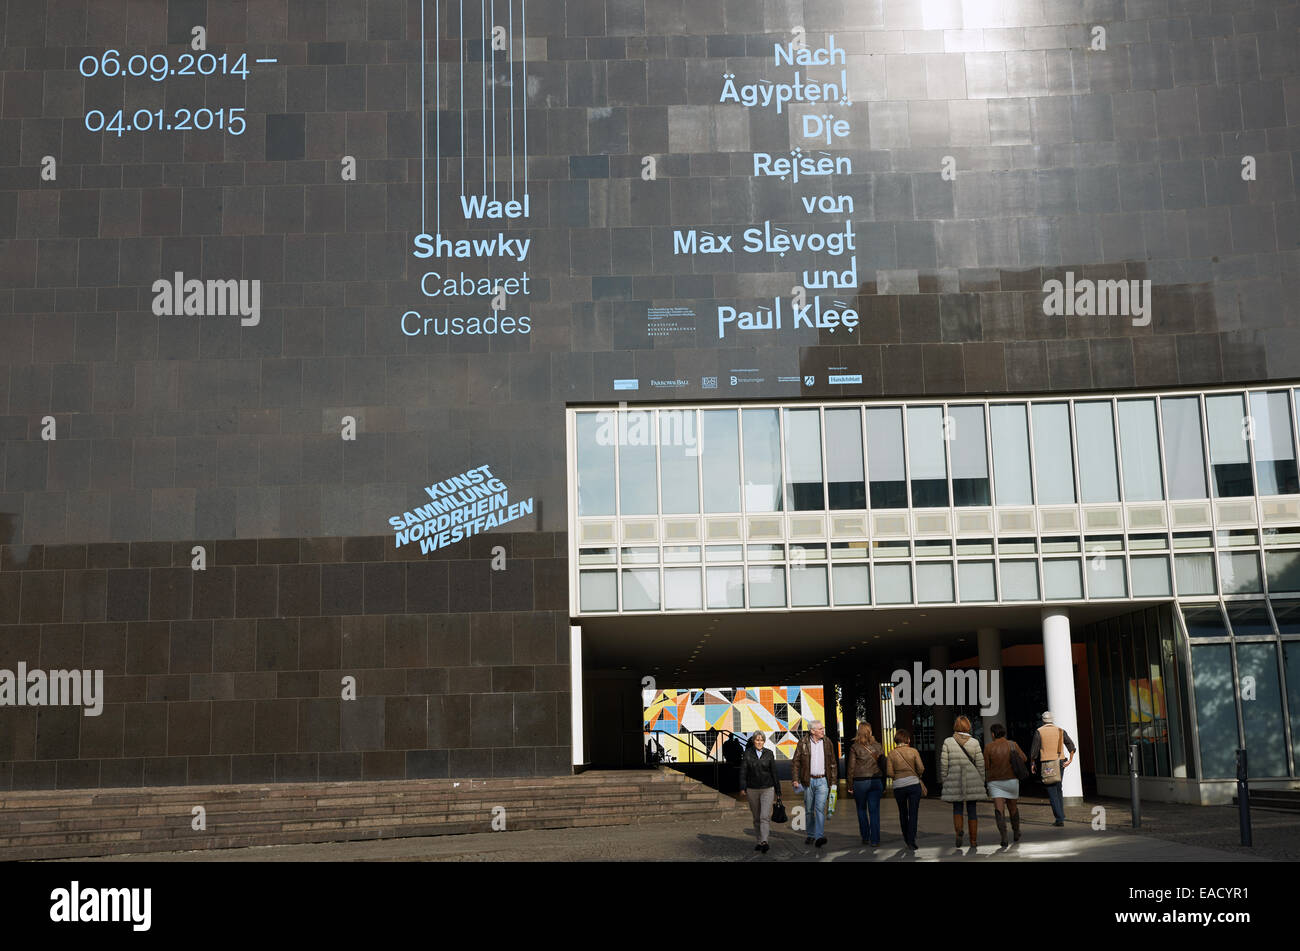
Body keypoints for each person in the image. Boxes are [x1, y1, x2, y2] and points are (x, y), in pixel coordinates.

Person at [940, 715, 986, 849]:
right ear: (968, 726)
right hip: (973, 781)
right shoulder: (974, 742)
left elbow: (944, 764)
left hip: (954, 780)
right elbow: (980, 765)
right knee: (972, 810)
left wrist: (945, 780)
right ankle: (973, 841)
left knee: (957, 808)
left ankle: (959, 831)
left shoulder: (948, 742)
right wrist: (981, 782)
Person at [791, 720, 837, 848]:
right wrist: (795, 779)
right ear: (812, 731)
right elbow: (796, 762)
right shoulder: (803, 743)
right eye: (820, 729)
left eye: (823, 728)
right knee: (809, 810)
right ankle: (811, 834)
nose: (823, 730)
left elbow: (833, 763)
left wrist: (833, 783)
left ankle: (819, 836)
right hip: (808, 781)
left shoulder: (827, 742)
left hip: (823, 781)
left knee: (820, 809)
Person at [983, 723, 1028, 847]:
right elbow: (1024, 758)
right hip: (1012, 780)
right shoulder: (1012, 744)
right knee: (1013, 808)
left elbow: (986, 766)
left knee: (999, 810)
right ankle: (1016, 831)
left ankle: (1004, 837)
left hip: (995, 782)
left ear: (993, 734)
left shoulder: (988, 747)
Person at [1029, 711, 1076, 826]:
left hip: (1047, 763)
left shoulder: (1039, 731)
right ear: (1052, 720)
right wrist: (1070, 760)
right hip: (1060, 761)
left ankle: (1059, 819)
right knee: (1058, 788)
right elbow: (1071, 746)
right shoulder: (1060, 731)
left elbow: (1034, 751)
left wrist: (1032, 763)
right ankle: (1061, 815)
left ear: (1043, 720)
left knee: (1051, 789)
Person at [738, 730, 781, 853]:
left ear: (764, 741)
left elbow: (774, 772)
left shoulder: (769, 753)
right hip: (752, 789)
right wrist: (742, 787)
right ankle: (759, 840)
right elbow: (743, 771)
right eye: (757, 740)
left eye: (761, 740)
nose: (759, 742)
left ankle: (764, 841)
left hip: (767, 788)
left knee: (764, 816)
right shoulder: (747, 753)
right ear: (753, 741)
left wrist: (778, 790)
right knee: (756, 817)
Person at [885, 726, 925, 850]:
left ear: (896, 740)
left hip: (899, 786)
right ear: (907, 740)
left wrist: (898, 775)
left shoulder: (891, 753)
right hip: (913, 784)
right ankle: (911, 840)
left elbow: (889, 773)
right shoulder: (913, 751)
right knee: (913, 813)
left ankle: (906, 838)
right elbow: (921, 768)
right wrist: (916, 774)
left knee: (903, 813)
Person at [845, 722, 885, 846]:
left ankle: (865, 837)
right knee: (874, 811)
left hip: (860, 782)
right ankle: (875, 840)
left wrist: (850, 786)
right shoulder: (878, 746)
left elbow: (851, 768)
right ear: (870, 732)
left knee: (861, 810)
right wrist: (883, 784)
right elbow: (883, 766)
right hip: (875, 781)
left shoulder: (855, 747)